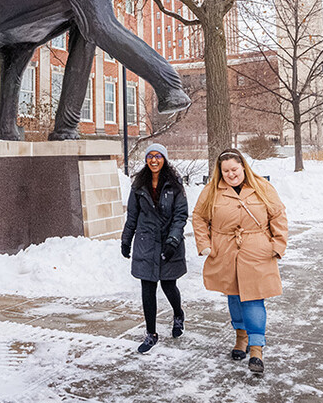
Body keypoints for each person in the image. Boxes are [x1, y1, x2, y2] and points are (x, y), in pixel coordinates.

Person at [192, 148, 287, 374]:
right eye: (225, 171)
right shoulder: (211, 191)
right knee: (234, 296)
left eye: (234, 169)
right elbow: (198, 216)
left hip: (257, 250)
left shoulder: (262, 187)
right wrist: (204, 244)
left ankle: (256, 349)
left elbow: (278, 214)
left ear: (243, 166)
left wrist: (279, 244)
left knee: (254, 298)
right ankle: (241, 337)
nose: (230, 174)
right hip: (225, 251)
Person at [121, 143, 188, 354]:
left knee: (169, 286)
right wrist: (126, 240)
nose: (154, 160)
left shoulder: (175, 185)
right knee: (147, 289)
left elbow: (180, 216)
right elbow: (132, 216)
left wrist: (172, 242)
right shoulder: (139, 185)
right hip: (146, 243)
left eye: (158, 156)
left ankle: (178, 314)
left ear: (164, 159)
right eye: (150, 156)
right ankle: (151, 334)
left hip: (170, 243)